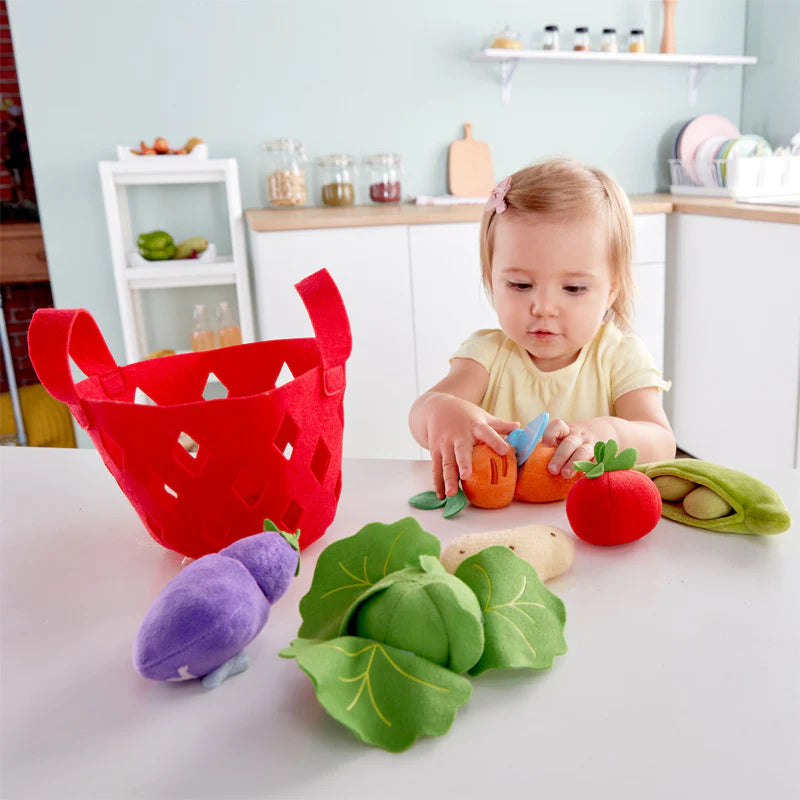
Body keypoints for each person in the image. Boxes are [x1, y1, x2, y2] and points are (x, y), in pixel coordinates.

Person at [409, 157, 675, 499]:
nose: (544, 308)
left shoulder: (619, 357)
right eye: (520, 285)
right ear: (492, 280)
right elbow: (421, 412)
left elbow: (662, 440)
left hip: (593, 524)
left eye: (573, 289)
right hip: (497, 526)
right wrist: (442, 411)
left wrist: (609, 431)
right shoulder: (486, 356)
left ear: (611, 290)